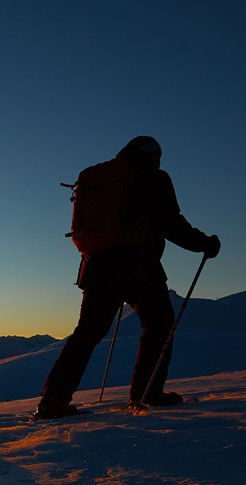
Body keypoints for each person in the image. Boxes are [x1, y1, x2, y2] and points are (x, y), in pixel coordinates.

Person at [32, 136, 221, 419]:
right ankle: (148, 394)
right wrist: (204, 243)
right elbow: (170, 222)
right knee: (159, 324)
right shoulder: (153, 178)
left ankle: (53, 400)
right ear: (152, 156)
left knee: (87, 333)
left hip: (96, 266)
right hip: (138, 266)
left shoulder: (101, 178)